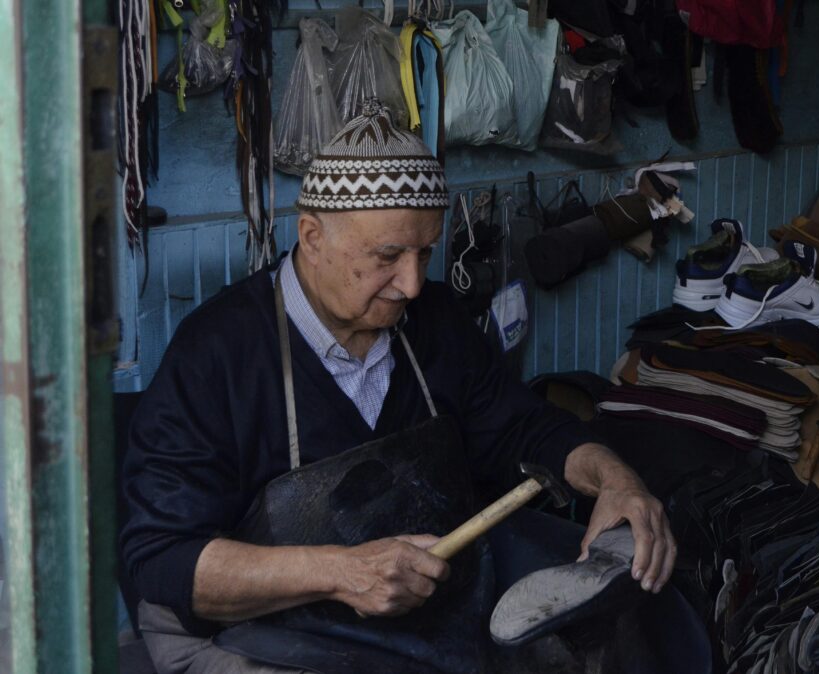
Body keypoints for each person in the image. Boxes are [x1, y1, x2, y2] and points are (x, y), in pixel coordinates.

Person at [121, 101, 694, 674]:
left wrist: (615, 479)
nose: (414, 284)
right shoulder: (216, 354)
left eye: (425, 252)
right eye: (388, 256)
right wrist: (344, 572)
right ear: (312, 237)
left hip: (412, 608)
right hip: (245, 628)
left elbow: (525, 428)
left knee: (637, 620)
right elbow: (162, 559)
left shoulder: (436, 320)